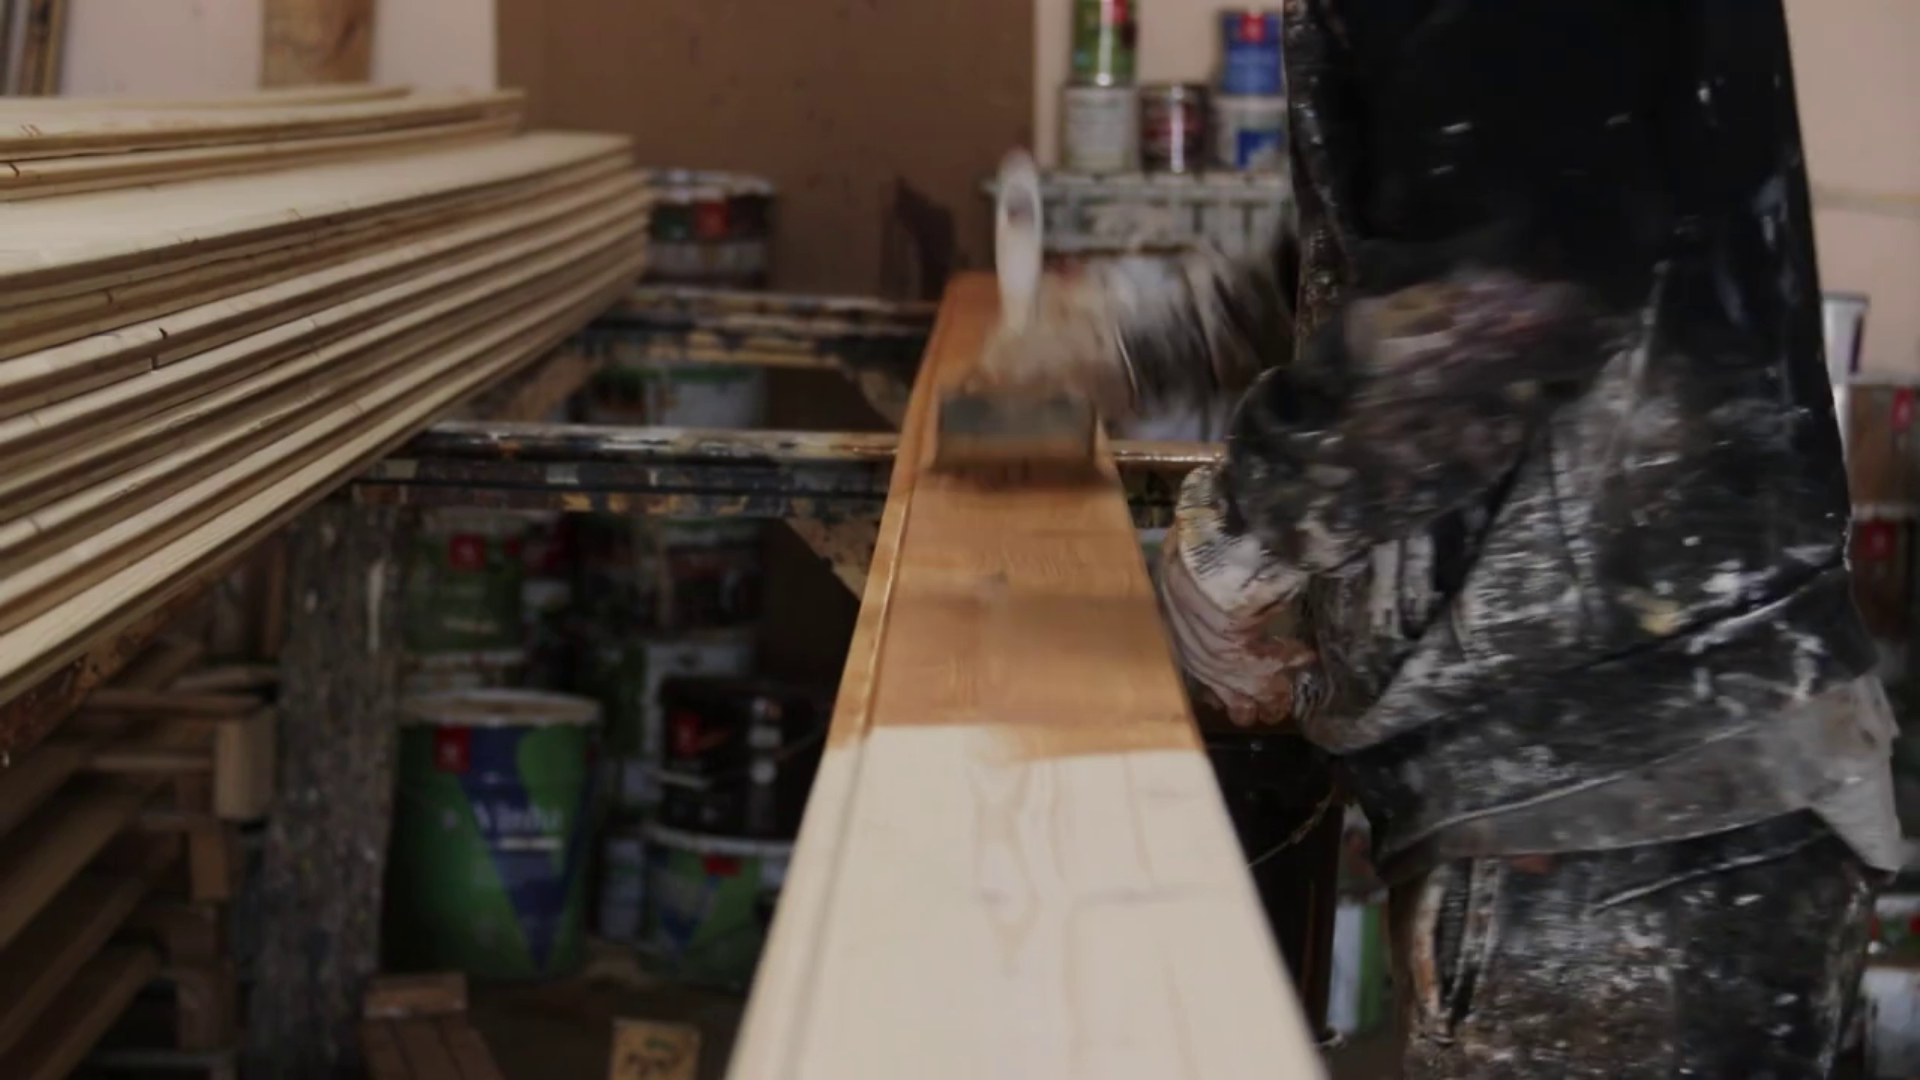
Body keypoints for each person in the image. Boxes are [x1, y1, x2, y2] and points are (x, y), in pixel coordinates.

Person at [980, 1, 1902, 1076]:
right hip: (1624, 778)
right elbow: (1464, 222)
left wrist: (1239, 541)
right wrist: (1155, 337)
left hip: (1635, 814)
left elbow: (1491, 308)